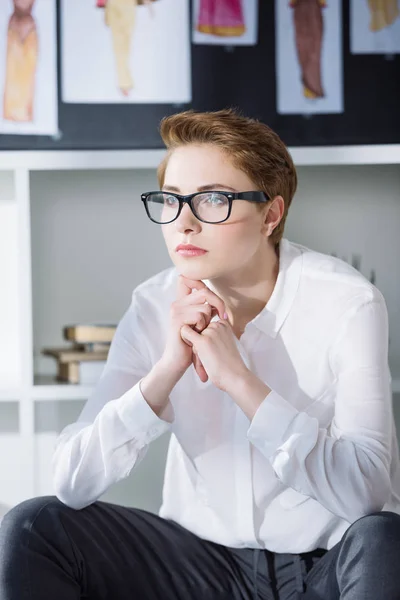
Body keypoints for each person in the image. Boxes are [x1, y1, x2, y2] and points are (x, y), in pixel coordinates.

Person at [1, 108, 400, 599]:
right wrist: (165, 371)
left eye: (212, 199)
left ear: (270, 215)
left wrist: (242, 382)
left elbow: (366, 495)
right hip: (198, 567)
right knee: (34, 525)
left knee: (385, 537)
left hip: (324, 568)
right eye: (171, 200)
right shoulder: (153, 305)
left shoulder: (348, 301)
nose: (183, 222)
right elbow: (71, 482)